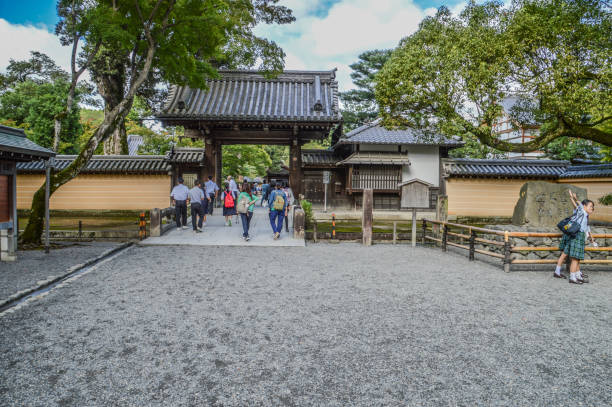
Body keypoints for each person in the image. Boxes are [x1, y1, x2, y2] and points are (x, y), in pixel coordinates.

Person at [555, 190, 596, 284]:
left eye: (593, 207)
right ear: (584, 206)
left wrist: (591, 238)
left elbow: (587, 228)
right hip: (576, 235)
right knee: (574, 258)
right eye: (591, 206)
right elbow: (579, 206)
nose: (592, 208)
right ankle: (573, 277)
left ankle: (576, 275)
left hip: (577, 236)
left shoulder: (585, 215)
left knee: (575, 258)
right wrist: (574, 198)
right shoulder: (582, 212)